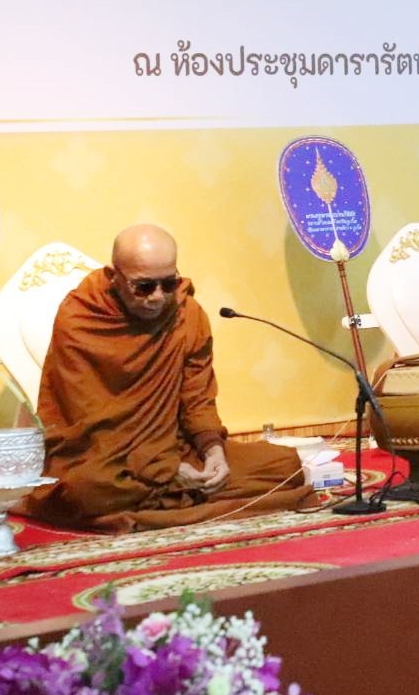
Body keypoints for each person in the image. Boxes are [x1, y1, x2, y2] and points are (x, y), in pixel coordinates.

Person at [22, 225, 316, 532]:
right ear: (114, 277)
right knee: (84, 490)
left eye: (168, 283)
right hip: (107, 460)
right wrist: (163, 469)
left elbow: (197, 399)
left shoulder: (186, 313)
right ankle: (174, 493)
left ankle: (167, 498)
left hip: (174, 450)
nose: (158, 297)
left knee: (285, 465)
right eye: (144, 287)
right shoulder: (80, 319)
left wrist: (212, 450)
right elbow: (89, 423)